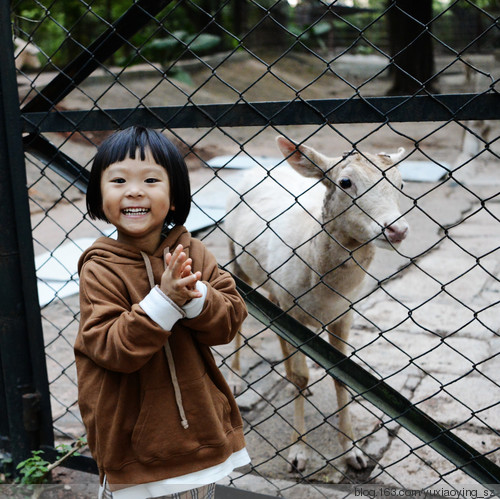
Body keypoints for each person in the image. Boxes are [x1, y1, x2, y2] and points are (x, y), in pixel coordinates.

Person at [74, 126, 250, 499]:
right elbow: (112, 348)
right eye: (118, 179)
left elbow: (229, 321)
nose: (134, 190)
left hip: (202, 437)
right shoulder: (100, 268)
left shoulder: (195, 253)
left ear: (173, 197)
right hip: (134, 449)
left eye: (151, 179)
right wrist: (164, 301)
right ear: (99, 195)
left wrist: (196, 295)